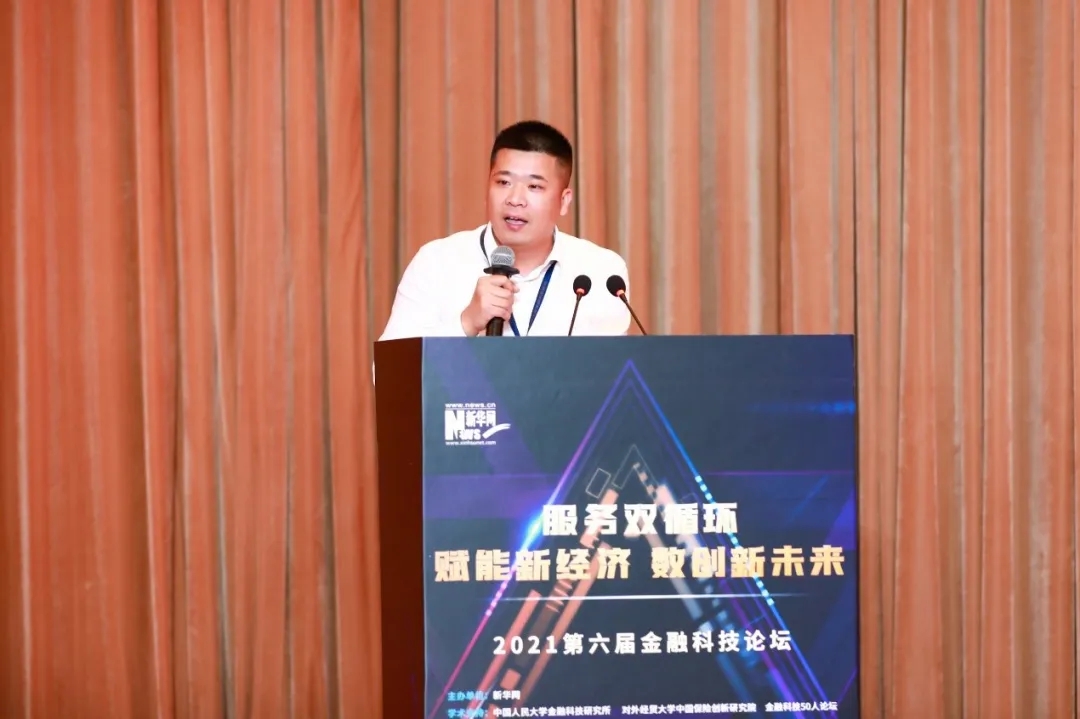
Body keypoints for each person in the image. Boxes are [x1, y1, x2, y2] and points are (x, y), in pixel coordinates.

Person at [377, 120, 632, 341]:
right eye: (503, 182)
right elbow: (387, 373)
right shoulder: (437, 262)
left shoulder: (601, 271)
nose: (515, 199)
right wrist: (466, 323)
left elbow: (611, 372)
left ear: (564, 201)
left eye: (534, 187)